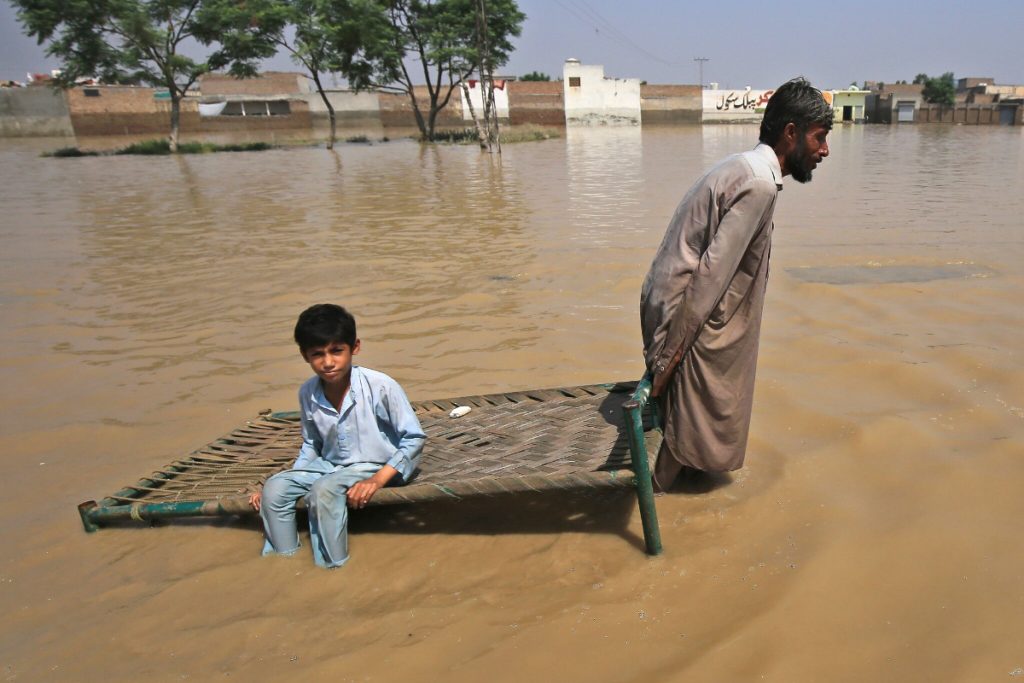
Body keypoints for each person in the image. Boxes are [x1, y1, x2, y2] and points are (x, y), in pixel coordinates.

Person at [640, 77, 832, 491]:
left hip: (666, 293)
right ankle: (657, 493)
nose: (825, 151)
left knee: (706, 395)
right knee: (703, 398)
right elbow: (710, 277)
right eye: (820, 138)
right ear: (791, 133)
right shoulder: (759, 184)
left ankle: (686, 479)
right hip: (681, 306)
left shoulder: (743, 166)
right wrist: (669, 359)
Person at [249, 304, 426, 568]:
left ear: (354, 347)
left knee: (324, 491)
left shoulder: (381, 386)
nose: (328, 362)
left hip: (378, 465)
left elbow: (413, 439)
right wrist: (292, 479)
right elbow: (312, 444)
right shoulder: (308, 392)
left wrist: (377, 481)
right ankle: (284, 563)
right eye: (317, 354)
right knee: (274, 489)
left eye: (336, 351)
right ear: (304, 355)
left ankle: (333, 567)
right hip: (332, 465)